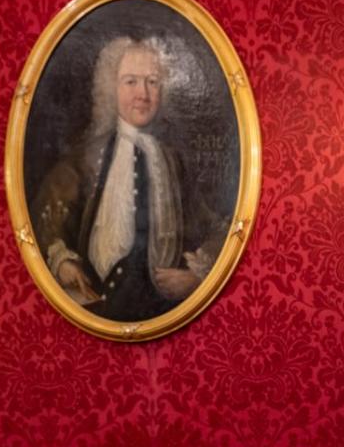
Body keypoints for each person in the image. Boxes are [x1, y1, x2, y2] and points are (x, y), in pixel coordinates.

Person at [32, 36, 221, 322]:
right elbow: (47, 219)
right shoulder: (86, 158)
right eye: (130, 81)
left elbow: (218, 229)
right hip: (101, 307)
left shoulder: (174, 163)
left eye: (152, 82)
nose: (142, 94)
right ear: (112, 87)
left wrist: (196, 276)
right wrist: (64, 264)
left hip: (161, 311)